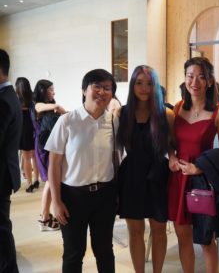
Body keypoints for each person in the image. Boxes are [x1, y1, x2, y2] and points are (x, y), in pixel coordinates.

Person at [46, 69, 118, 272]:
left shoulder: (113, 121)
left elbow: (117, 157)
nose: (102, 92)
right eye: (97, 86)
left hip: (105, 196)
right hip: (73, 197)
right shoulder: (67, 121)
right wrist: (57, 202)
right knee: (73, 252)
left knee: (104, 250)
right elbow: (54, 164)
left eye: (107, 88)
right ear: (84, 90)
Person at [168, 57, 219, 273]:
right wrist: (172, 158)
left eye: (201, 77)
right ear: (185, 79)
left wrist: (201, 168)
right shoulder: (176, 108)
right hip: (178, 179)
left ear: (210, 81)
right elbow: (170, 144)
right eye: (190, 76)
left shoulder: (218, 112)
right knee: (183, 237)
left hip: (201, 182)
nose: (195, 81)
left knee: (205, 240)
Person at [117, 65, 174, 273]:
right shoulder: (122, 113)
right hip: (131, 175)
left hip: (157, 175)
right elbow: (117, 150)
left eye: (149, 84)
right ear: (132, 85)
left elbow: (172, 146)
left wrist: (174, 159)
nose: (144, 88)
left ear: (155, 86)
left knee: (159, 230)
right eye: (139, 83)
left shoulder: (166, 114)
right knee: (135, 231)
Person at [32, 79, 66, 231]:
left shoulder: (48, 106)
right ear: (43, 91)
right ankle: (44, 218)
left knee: (50, 181)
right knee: (49, 182)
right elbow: (56, 107)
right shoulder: (38, 105)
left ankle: (45, 216)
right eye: (51, 89)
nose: (54, 92)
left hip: (48, 145)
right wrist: (63, 111)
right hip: (43, 148)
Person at [0, 48, 22, 273]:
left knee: (1, 229)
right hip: (5, 173)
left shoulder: (4, 100)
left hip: (2, 175)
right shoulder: (8, 96)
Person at [15, 77, 40, 192]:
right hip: (34, 127)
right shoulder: (33, 97)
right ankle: (36, 180)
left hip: (23, 129)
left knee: (26, 158)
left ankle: (29, 184)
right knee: (35, 156)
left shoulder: (17, 99)